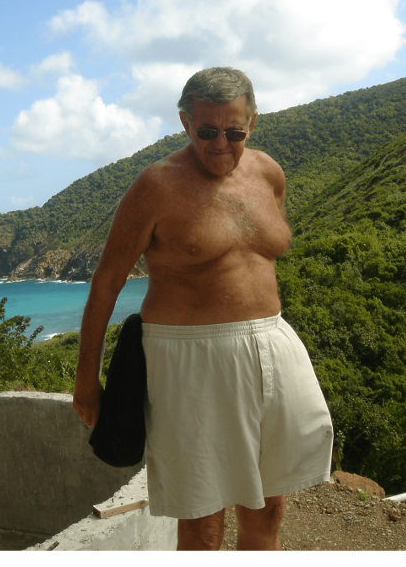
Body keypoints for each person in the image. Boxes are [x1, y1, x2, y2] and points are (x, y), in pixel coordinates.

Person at [73, 67, 333, 550]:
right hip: (189, 358)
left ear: (252, 123)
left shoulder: (269, 174)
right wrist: (86, 380)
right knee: (201, 518)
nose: (220, 144)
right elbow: (107, 282)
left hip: (271, 346)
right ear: (185, 123)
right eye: (207, 131)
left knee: (269, 506)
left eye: (234, 132)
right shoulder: (156, 186)